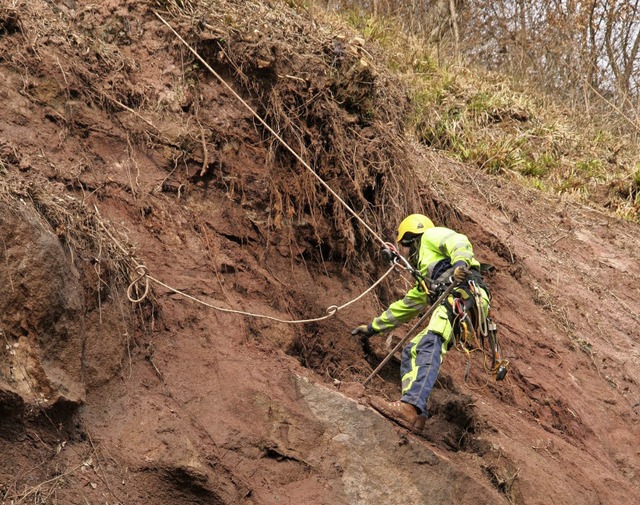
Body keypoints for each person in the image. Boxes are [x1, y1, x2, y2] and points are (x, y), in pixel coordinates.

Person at [352, 214, 490, 432]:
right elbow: (405, 307)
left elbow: (458, 240)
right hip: (458, 302)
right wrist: (372, 328)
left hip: (461, 297)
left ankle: (410, 407)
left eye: (403, 247)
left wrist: (461, 263)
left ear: (411, 239)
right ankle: (416, 414)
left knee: (428, 344)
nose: (402, 253)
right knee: (411, 351)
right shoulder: (427, 280)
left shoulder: (429, 236)